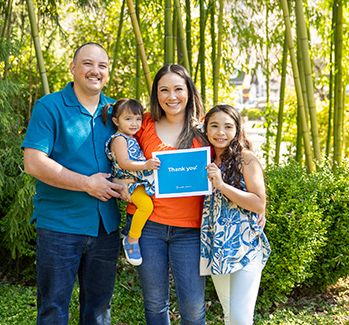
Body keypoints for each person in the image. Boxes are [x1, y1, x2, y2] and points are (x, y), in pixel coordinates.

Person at [21, 42, 124, 325]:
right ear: (73, 67)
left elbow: (133, 155)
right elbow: (34, 163)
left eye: (102, 66)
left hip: (105, 227)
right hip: (59, 226)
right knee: (53, 308)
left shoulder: (116, 113)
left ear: (108, 72)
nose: (95, 71)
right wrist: (86, 184)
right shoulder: (49, 107)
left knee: (99, 310)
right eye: (88, 64)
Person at [115, 64, 209, 324]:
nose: (171, 96)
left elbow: (237, 156)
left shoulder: (204, 131)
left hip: (190, 229)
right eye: (163, 90)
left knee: (193, 308)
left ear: (189, 92)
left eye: (178, 89)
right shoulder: (142, 123)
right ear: (156, 94)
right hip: (148, 227)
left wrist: (259, 202)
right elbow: (117, 152)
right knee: (155, 304)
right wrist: (120, 180)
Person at [200, 104, 271, 324]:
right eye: (214, 126)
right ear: (206, 129)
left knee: (241, 318)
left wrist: (221, 185)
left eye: (228, 126)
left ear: (237, 129)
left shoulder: (246, 159)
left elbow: (259, 203)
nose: (220, 132)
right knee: (230, 315)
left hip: (244, 247)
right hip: (216, 246)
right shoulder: (204, 159)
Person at [102, 98, 160, 266]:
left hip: (135, 180)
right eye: (128, 119)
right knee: (146, 206)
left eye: (138, 119)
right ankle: (132, 239)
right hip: (128, 182)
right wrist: (146, 164)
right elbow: (124, 162)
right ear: (116, 121)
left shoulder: (132, 137)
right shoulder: (119, 139)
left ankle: (128, 229)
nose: (134, 123)